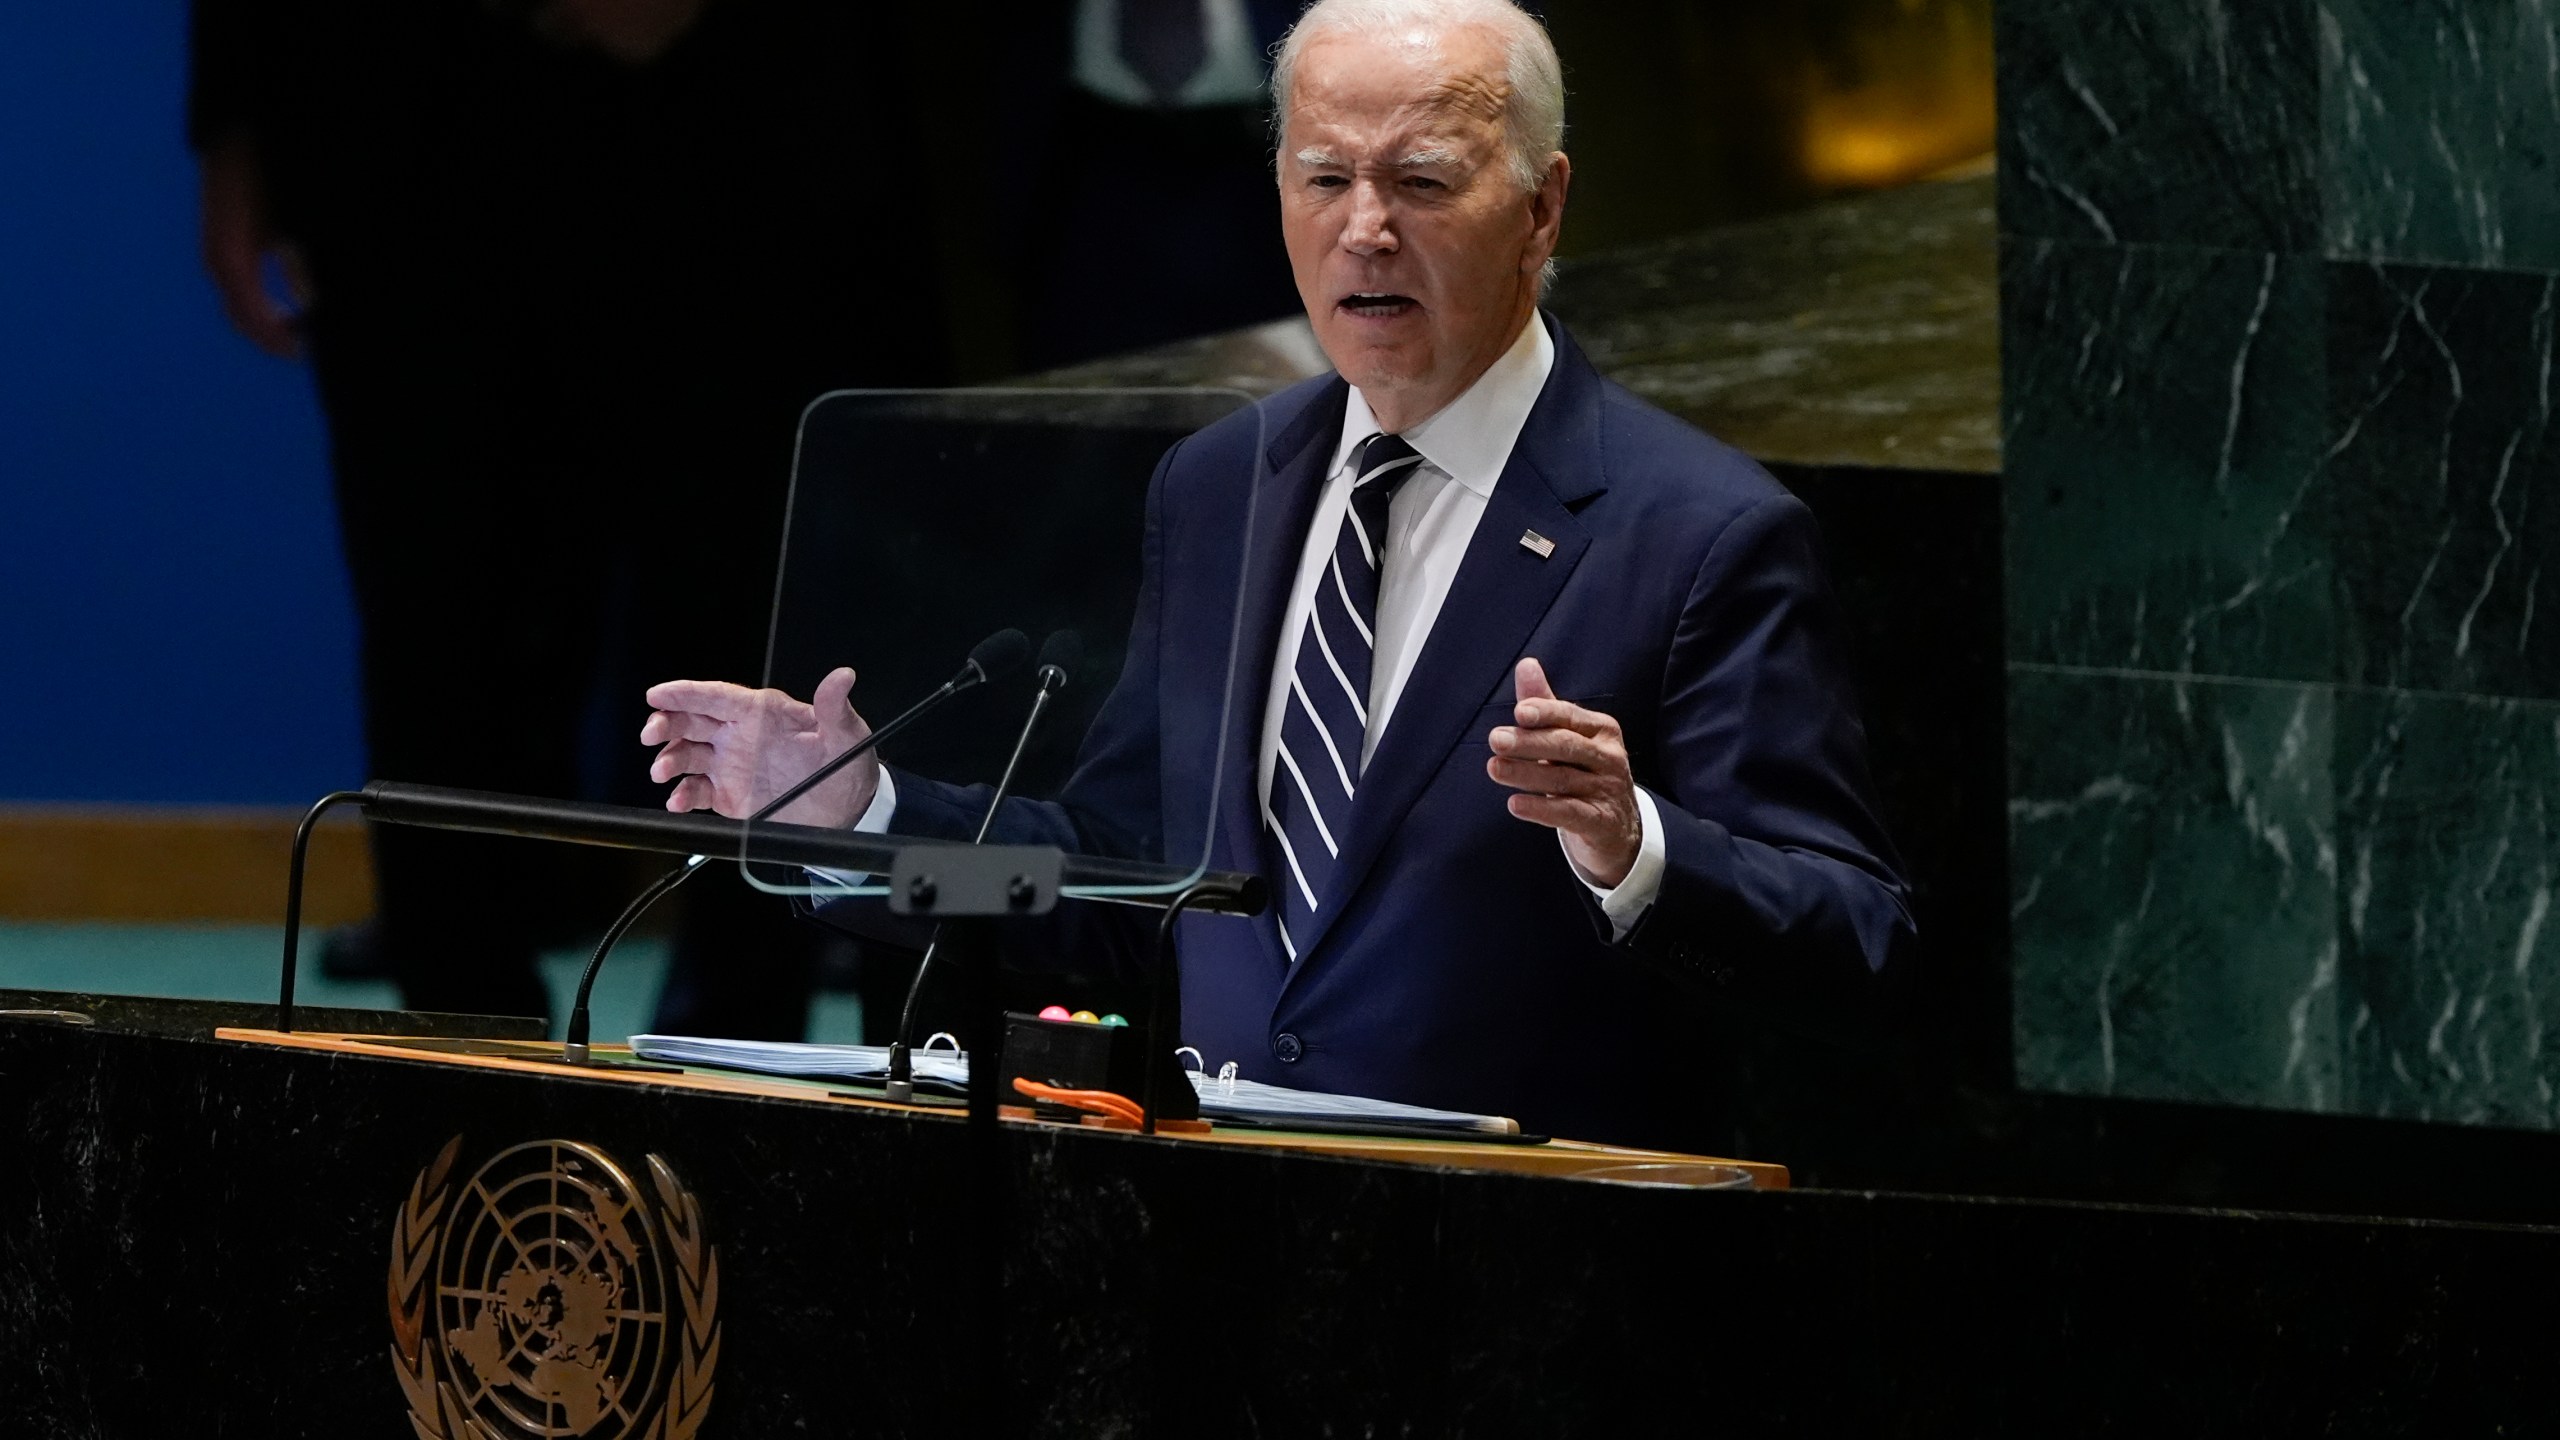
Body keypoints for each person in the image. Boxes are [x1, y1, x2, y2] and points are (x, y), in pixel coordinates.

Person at [641, 0, 1916, 1152]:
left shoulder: (1701, 531)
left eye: (1420, 179)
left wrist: (1630, 844)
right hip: (1229, 1256)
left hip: (1531, 1278)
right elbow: (1111, 888)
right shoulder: (1215, 488)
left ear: (1541, 207)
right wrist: (864, 822)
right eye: (1324, 177)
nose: (1365, 228)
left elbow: (1856, 942)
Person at [192, 0, 948, 1031]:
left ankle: (739, 1034)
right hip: (406, 123)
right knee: (435, 620)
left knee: (750, 602)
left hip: (744, 115)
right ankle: (456, 1050)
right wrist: (236, 131)